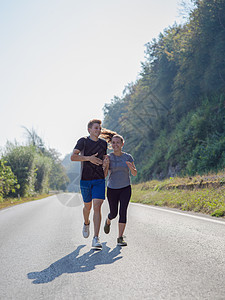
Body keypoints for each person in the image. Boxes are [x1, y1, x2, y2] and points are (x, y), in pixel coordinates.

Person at [71, 119, 108, 249]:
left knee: (97, 206)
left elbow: (103, 161)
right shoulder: (83, 141)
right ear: (89, 130)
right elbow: (73, 157)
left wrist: (105, 165)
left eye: (99, 128)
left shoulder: (104, 144)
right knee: (88, 207)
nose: (98, 130)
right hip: (85, 180)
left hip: (99, 179)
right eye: (96, 128)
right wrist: (89, 158)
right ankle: (86, 223)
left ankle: (96, 238)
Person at [103, 134, 137, 246]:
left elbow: (134, 173)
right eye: (113, 142)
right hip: (112, 188)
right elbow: (104, 175)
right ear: (111, 144)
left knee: (123, 212)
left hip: (125, 188)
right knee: (113, 213)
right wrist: (106, 165)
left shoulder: (128, 157)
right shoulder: (108, 157)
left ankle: (120, 237)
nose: (115, 144)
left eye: (118, 142)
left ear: (122, 144)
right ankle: (108, 220)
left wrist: (131, 167)